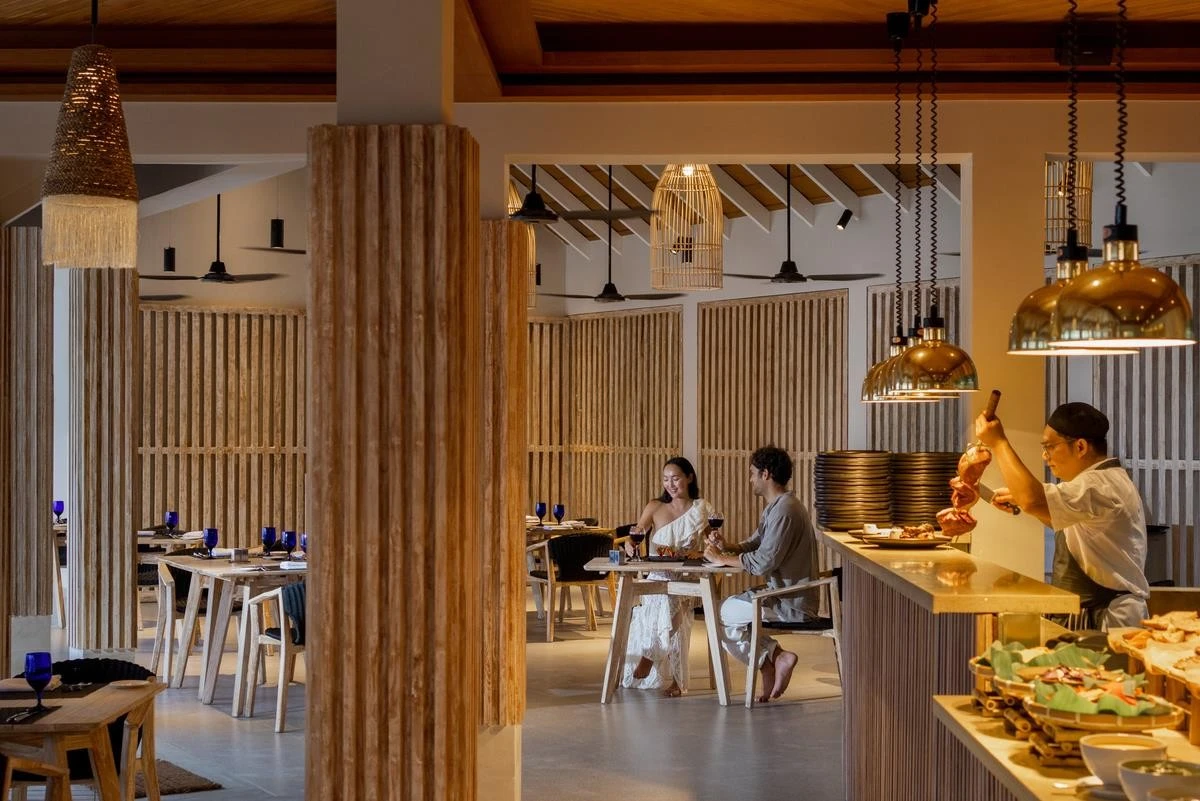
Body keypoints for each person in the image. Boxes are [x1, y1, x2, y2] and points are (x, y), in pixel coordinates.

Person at [976, 401, 1150, 630]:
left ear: (1080, 447)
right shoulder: (1104, 479)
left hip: (1108, 619)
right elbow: (1063, 522)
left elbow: (1033, 499)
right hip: (1097, 613)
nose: (1044, 456)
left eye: (1049, 447)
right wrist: (1021, 500)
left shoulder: (1098, 485)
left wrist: (998, 442)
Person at [704, 446, 821, 703]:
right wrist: (727, 546)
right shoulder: (778, 507)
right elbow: (756, 544)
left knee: (719, 615)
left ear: (765, 474)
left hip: (791, 601)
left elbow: (764, 562)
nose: (750, 480)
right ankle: (775, 659)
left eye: (752, 473)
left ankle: (772, 660)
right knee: (723, 613)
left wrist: (721, 559)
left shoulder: (785, 510)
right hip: (783, 594)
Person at [622, 457, 715, 697]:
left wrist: (709, 546)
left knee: (676, 598)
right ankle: (666, 670)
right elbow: (635, 535)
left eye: (675, 478)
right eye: (666, 479)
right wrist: (631, 545)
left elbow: (712, 544)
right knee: (669, 601)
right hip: (657, 574)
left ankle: (649, 657)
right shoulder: (655, 506)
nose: (670, 484)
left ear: (689, 478)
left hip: (687, 575)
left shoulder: (700, 509)